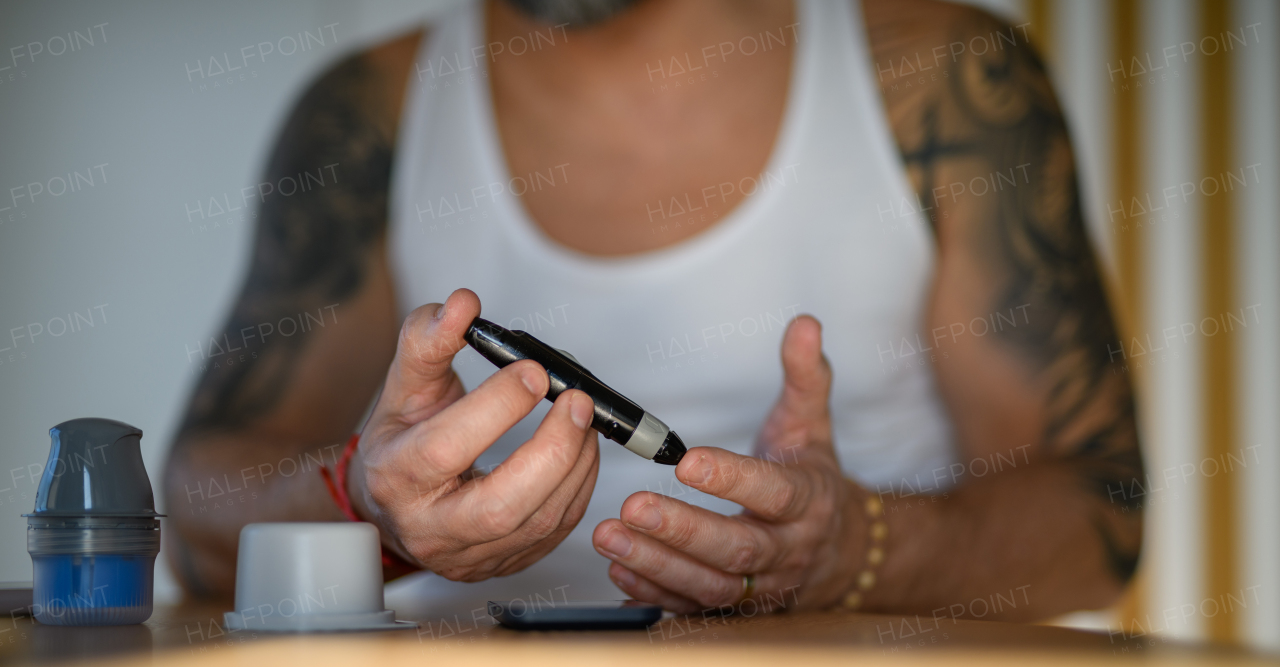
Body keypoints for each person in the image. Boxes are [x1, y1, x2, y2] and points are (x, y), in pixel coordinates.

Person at [164, 0, 1144, 620]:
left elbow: (1096, 518)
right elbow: (197, 520)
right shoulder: (365, 113)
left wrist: (855, 551)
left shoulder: (944, 79)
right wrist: (364, 502)